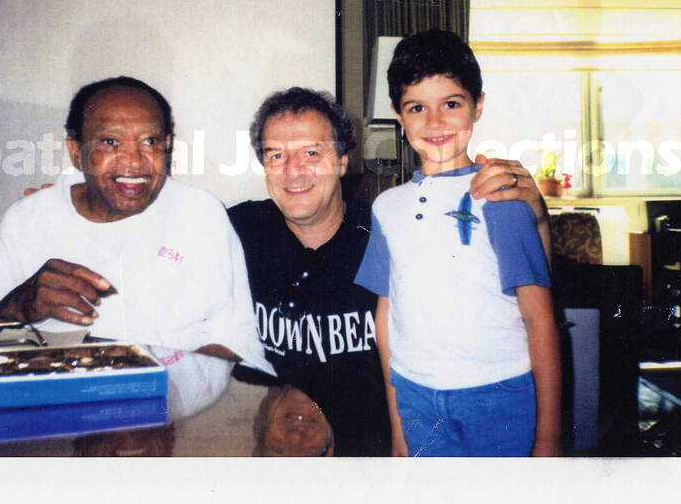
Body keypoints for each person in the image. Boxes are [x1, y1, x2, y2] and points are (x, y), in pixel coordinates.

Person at [229, 87, 551, 457]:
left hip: (373, 457)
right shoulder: (238, 230)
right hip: (271, 452)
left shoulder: (391, 231)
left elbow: (527, 302)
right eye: (276, 155)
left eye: (312, 153)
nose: (293, 170)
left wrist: (536, 218)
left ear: (343, 160)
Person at [0, 76, 274, 418]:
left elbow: (234, 334)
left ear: (167, 146)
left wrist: (171, 400)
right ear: (76, 151)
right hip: (57, 427)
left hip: (174, 421)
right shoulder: (28, 221)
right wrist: (14, 308)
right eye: (111, 142)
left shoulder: (200, 214)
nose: (134, 162)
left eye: (150, 141)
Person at [354, 30, 562, 457]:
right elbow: (386, 318)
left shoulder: (503, 194)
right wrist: (397, 427)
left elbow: (541, 320)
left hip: (500, 394)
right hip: (415, 396)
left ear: (478, 105)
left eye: (451, 103)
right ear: (398, 113)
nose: (435, 122)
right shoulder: (386, 207)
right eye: (417, 107)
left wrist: (549, 439)